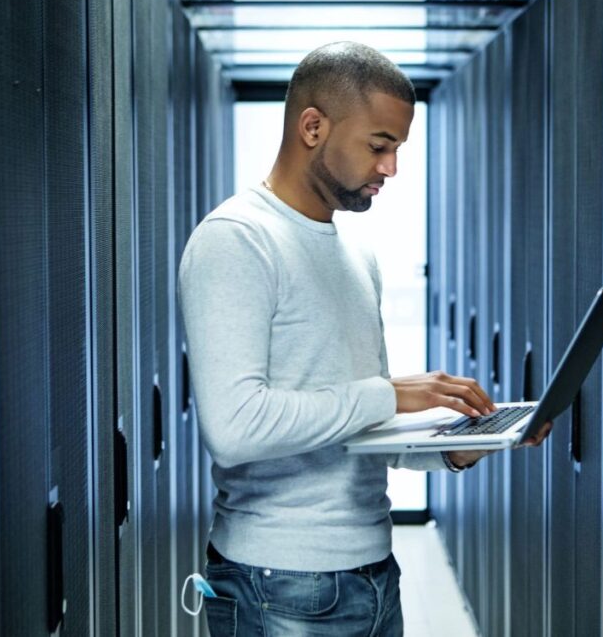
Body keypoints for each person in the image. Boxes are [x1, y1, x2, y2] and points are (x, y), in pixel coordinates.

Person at [177, 42, 552, 636]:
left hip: (374, 575)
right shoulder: (236, 241)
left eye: (398, 148)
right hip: (279, 585)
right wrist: (390, 393)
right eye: (379, 145)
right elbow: (234, 428)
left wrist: (461, 447)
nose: (391, 168)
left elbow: (360, 431)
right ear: (312, 126)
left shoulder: (355, 252)